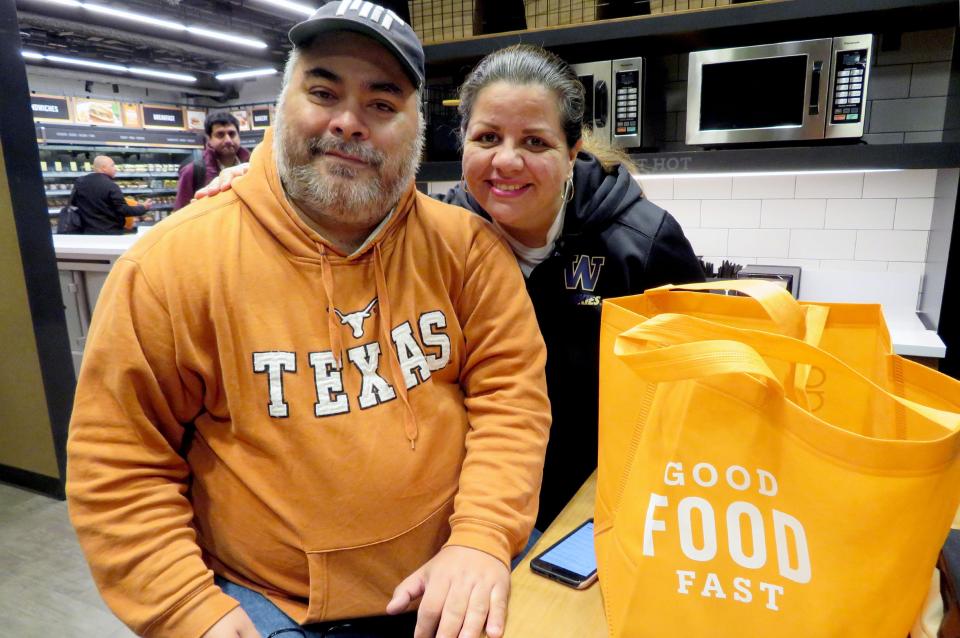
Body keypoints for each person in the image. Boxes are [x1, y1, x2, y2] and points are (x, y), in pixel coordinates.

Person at [66, 4, 550, 638]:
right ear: (280, 105)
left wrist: (484, 536)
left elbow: (510, 401)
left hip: (461, 566)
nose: (348, 123)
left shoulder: (468, 250)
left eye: (382, 104)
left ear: (418, 130)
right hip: (272, 602)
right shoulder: (170, 267)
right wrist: (186, 608)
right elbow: (119, 462)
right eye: (323, 92)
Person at [200, 44, 705, 530]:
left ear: (572, 150)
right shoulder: (438, 237)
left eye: (535, 142)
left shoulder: (640, 242)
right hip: (472, 511)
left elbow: (698, 396)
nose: (506, 162)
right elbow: (339, 189)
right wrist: (270, 177)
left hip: (599, 505)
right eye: (487, 138)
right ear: (461, 141)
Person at [173, 111, 251, 210]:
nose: (228, 140)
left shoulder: (252, 164)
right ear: (209, 139)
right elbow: (180, 212)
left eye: (232, 134)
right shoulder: (192, 171)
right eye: (220, 134)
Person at [71, 155, 152, 234]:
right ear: (103, 168)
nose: (115, 169)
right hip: (110, 232)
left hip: (87, 231)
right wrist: (143, 207)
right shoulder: (110, 185)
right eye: (112, 166)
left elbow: (74, 202)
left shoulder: (80, 182)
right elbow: (123, 210)